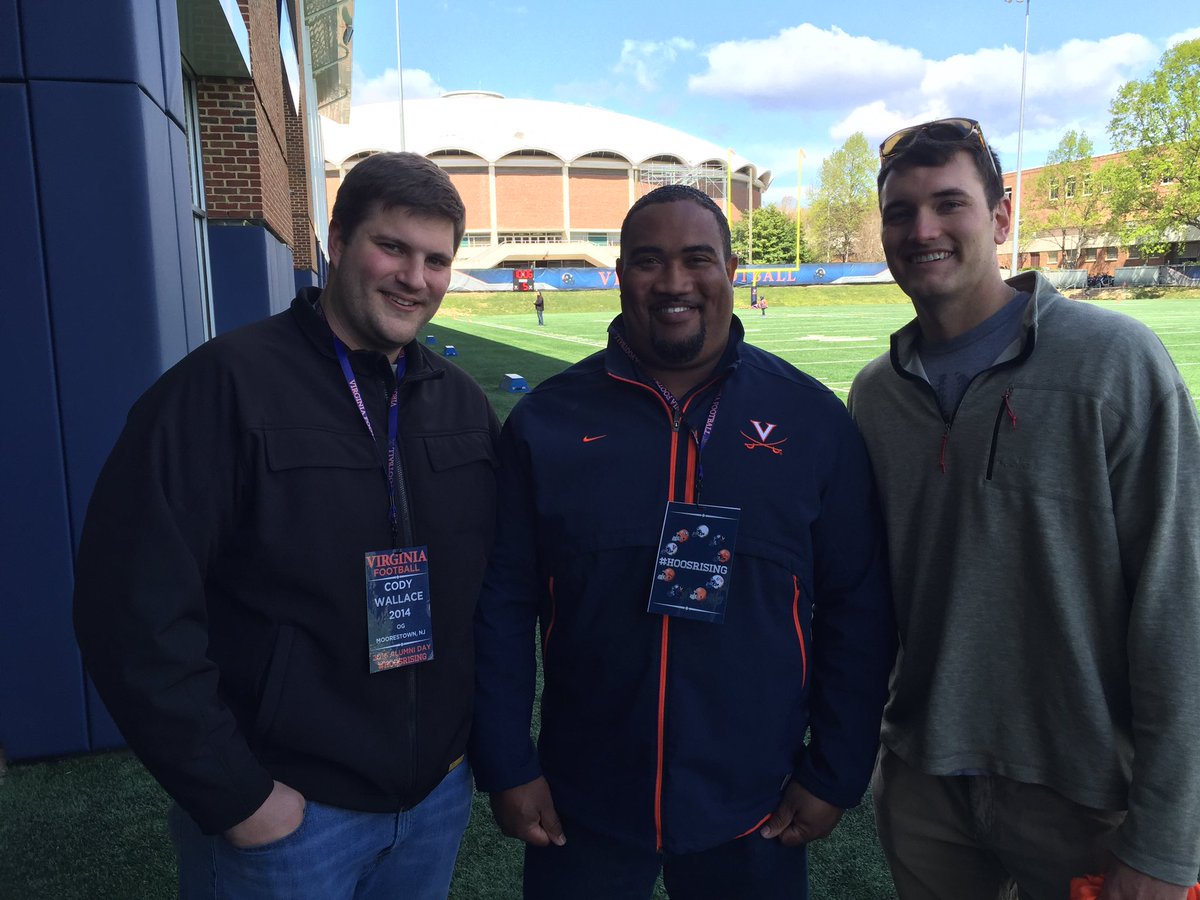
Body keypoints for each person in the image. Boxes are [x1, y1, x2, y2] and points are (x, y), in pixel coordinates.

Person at [73, 152, 500, 899]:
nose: (415, 278)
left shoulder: (461, 405)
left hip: (433, 800)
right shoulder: (224, 387)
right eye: (392, 247)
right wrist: (235, 794)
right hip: (290, 814)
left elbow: (494, 590)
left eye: (436, 260)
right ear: (337, 242)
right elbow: (129, 606)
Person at [471, 184, 896, 899]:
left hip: (757, 803)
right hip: (584, 800)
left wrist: (834, 771)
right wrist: (508, 763)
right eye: (649, 260)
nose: (674, 282)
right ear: (619, 275)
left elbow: (857, 608)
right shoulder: (547, 422)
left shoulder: (811, 420)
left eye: (697, 259)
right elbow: (502, 604)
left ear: (731, 270)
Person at [848, 117, 1200, 900]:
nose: (923, 230)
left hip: (1085, 790)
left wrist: (1170, 836)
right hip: (924, 779)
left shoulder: (1114, 362)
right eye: (901, 212)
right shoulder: (875, 396)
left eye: (949, 204)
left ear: (1002, 218)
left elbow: (1179, 603)